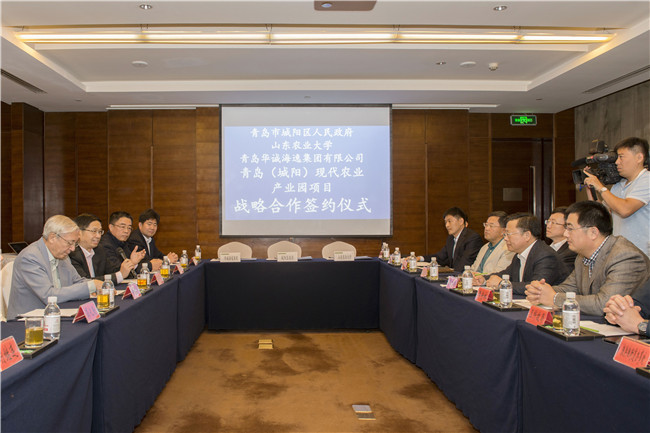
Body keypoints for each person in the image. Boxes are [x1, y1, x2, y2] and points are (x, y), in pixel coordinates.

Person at [525, 201, 650, 315]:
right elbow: (568, 288)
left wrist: (554, 298)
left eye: (570, 229)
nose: (565, 234)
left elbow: (604, 304)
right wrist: (540, 291)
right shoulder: (582, 255)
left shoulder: (625, 256)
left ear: (593, 232)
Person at [7, 215, 102, 320]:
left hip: (56, 315)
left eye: (75, 243)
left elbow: (77, 281)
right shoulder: (30, 257)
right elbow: (48, 295)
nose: (72, 249)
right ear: (52, 237)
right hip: (27, 321)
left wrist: (99, 285)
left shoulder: (62, 255)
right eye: (70, 242)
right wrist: (90, 286)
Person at [584, 137, 649, 257]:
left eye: (621, 157)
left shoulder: (646, 180)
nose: (617, 162)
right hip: (620, 253)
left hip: (641, 255)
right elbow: (602, 214)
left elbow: (625, 210)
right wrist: (591, 188)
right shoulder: (619, 185)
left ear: (639, 158)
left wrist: (601, 187)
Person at [474, 213, 569, 294]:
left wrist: (502, 284)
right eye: (505, 234)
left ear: (527, 235)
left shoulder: (545, 256)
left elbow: (536, 287)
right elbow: (506, 274)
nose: (505, 238)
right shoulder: (519, 254)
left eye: (508, 234)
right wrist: (483, 279)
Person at [69, 213, 135, 284]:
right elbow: (84, 282)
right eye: (94, 231)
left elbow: (112, 271)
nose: (98, 236)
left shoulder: (99, 249)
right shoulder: (72, 253)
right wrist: (120, 275)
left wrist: (128, 266)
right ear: (79, 232)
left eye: (100, 231)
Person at [427, 207, 483, 272]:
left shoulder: (472, 238)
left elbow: (464, 265)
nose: (447, 225)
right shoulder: (450, 238)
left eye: (449, 221)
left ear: (461, 221)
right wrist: (420, 258)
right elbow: (440, 257)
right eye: (445, 222)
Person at [97, 211, 146, 277]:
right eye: (122, 227)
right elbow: (116, 272)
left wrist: (134, 262)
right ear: (111, 227)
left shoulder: (123, 243)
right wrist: (132, 262)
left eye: (129, 228)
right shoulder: (105, 245)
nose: (126, 231)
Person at [470, 211, 514, 275]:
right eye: (486, 225)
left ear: (503, 231)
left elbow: (499, 273)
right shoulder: (484, 247)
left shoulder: (508, 248)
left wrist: (479, 276)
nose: (486, 228)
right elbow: (473, 269)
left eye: (491, 226)